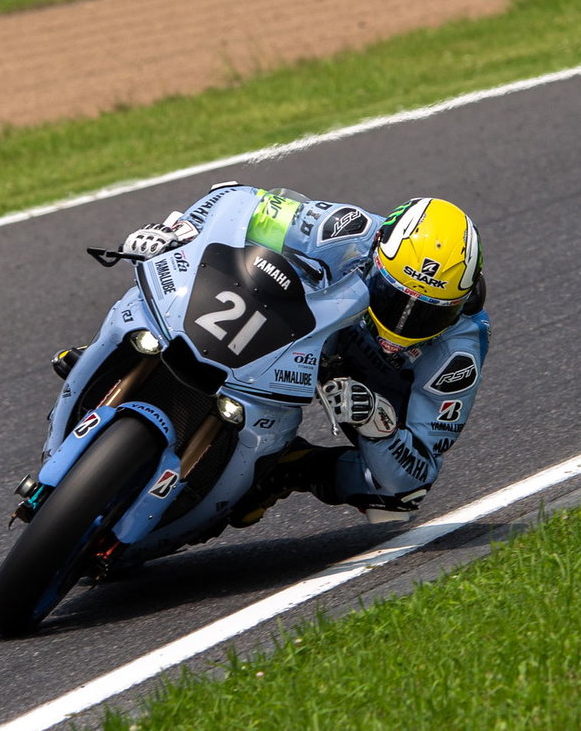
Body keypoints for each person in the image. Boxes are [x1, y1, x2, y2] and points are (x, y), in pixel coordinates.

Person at [56, 182, 489, 526]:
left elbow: (417, 474)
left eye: (427, 314)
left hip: (373, 385)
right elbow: (235, 200)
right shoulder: (348, 229)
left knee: (395, 500)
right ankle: (112, 359)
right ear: (378, 256)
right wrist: (176, 232)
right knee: (157, 286)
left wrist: (379, 426)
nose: (403, 324)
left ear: (459, 304)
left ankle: (286, 468)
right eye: (395, 300)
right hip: (312, 327)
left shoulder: (459, 350)